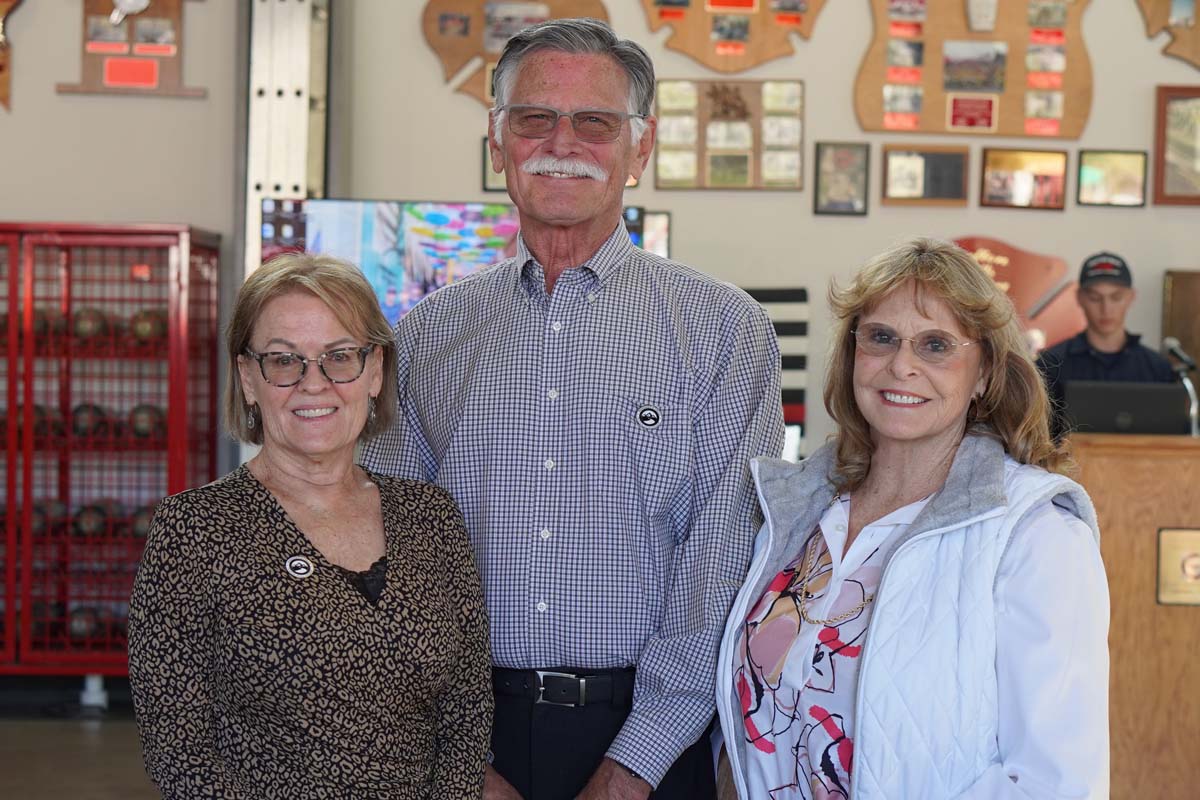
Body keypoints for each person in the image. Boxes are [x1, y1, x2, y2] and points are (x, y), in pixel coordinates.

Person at [361, 17, 784, 800]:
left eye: (596, 122)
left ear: (641, 147)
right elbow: (386, 560)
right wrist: (457, 759)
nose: (565, 141)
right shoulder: (425, 336)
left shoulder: (726, 332)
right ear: (497, 143)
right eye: (533, 119)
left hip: (657, 739)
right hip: (465, 734)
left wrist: (637, 763)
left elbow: (724, 556)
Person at [716, 238, 1109, 799]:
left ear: (983, 375)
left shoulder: (1034, 533)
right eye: (881, 338)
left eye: (936, 345)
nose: (902, 365)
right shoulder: (799, 510)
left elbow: (1054, 783)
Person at [128, 253, 492, 799]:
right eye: (283, 361)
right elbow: (180, 750)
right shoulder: (194, 531)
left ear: (375, 372)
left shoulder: (431, 518)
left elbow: (467, 715)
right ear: (248, 378)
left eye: (339, 356)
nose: (313, 384)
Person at [1036, 251, 1174, 437]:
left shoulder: (1158, 368)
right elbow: (1039, 436)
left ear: (1131, 297)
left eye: (1116, 298)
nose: (1106, 309)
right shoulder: (1051, 364)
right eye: (1095, 298)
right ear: (1080, 298)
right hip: (1069, 465)